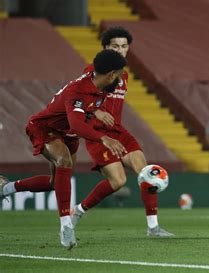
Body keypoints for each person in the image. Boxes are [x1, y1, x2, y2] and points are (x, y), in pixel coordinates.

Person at [0, 49, 128, 249]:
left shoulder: (101, 85)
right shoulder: (78, 91)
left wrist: (96, 112)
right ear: (111, 74)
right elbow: (77, 123)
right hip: (45, 128)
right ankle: (66, 226)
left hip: (68, 134)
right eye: (119, 75)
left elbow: (84, 111)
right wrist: (104, 138)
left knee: (56, 182)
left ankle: (4, 188)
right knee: (64, 161)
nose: (120, 80)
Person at [71, 26, 174, 237]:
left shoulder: (124, 76)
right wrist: (97, 112)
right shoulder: (93, 70)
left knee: (146, 172)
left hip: (119, 131)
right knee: (118, 182)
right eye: (115, 46)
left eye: (124, 46)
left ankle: (153, 228)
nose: (120, 50)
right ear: (105, 47)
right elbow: (77, 99)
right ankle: (78, 211)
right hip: (98, 134)